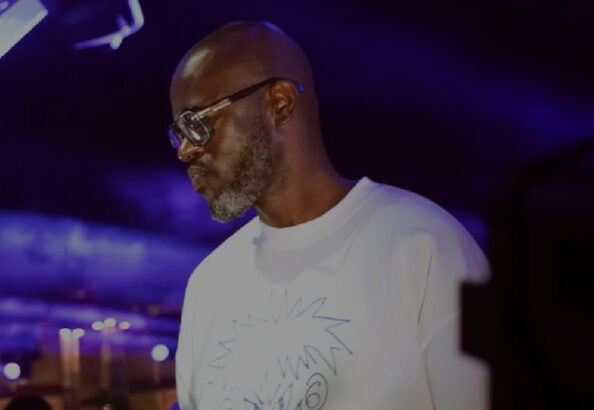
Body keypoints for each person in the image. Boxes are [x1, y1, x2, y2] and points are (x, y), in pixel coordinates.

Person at [170, 21, 489, 410]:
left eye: (197, 123)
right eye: (178, 132)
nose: (185, 151)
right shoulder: (207, 287)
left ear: (280, 103)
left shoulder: (426, 248)